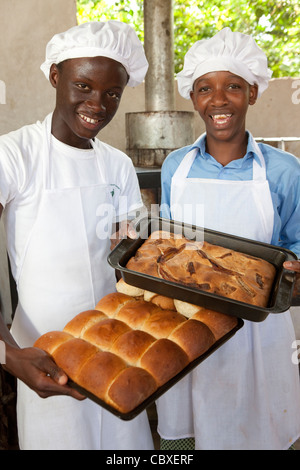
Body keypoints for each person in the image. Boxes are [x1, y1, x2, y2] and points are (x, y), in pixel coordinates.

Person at [0, 20, 154, 450]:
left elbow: (129, 258)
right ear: (55, 76)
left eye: (112, 94)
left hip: (116, 348)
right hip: (45, 357)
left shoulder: (117, 165)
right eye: (83, 86)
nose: (97, 104)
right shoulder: (15, 154)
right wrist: (8, 355)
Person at [156, 27, 300, 450]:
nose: (218, 100)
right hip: (187, 323)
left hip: (258, 328)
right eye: (205, 88)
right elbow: (166, 241)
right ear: (193, 97)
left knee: (259, 430)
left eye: (233, 87)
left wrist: (292, 263)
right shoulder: (175, 166)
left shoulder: (283, 170)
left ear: (252, 94)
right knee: (187, 437)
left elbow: (296, 240)